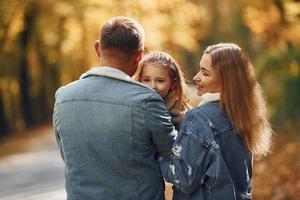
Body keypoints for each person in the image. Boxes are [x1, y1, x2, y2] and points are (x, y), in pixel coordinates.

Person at [53, 16, 177, 200]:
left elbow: (68, 156)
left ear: (97, 48)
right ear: (139, 56)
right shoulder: (147, 100)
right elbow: (175, 154)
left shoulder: (63, 97)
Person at [158, 43, 272, 200]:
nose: (196, 77)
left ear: (226, 80)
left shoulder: (199, 118)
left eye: (205, 73)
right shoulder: (243, 114)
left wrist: (157, 153)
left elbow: (183, 178)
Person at [133, 51, 191, 131]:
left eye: (160, 81)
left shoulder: (184, 117)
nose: (152, 86)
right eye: (146, 80)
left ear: (173, 83)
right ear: (140, 80)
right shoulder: (135, 107)